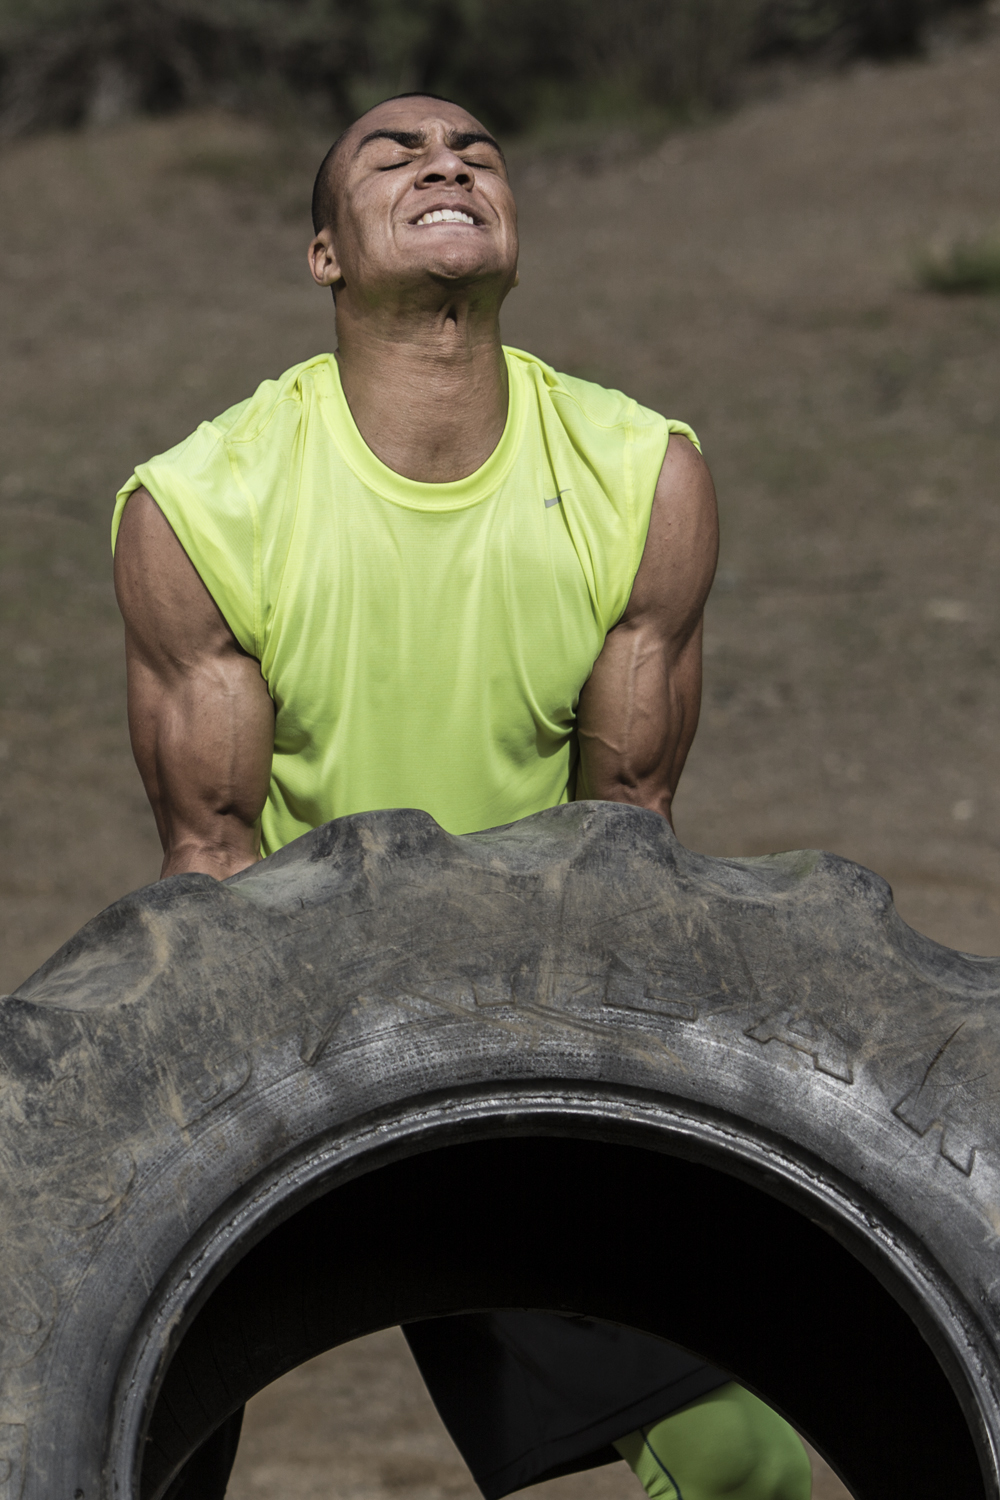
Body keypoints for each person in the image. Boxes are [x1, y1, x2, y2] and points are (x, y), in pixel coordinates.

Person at [113, 92, 812, 1500]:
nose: (447, 160)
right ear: (326, 252)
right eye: (396, 154)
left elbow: (630, 841)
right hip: (287, 1024)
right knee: (107, 1426)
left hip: (529, 1010)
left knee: (742, 1456)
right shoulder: (205, 503)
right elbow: (216, 862)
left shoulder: (637, 476)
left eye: (477, 152)